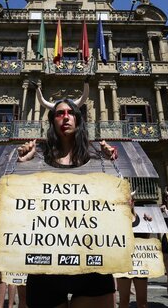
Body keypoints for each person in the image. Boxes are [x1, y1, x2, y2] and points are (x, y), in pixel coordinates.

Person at [16, 83, 118, 308]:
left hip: (92, 262)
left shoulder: (98, 157)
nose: (66, 117)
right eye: (60, 113)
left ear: (79, 120)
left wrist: (112, 166)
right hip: (45, 265)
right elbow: (20, 207)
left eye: (71, 113)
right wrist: (23, 164)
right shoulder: (38, 158)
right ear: (53, 121)